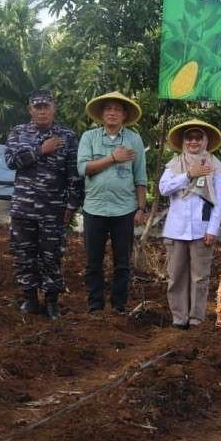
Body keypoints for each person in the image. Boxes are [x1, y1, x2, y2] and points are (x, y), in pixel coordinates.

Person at [4, 90, 83, 319]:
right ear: (30, 110)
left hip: (53, 209)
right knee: (23, 254)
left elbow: (74, 174)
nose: (42, 111)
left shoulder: (67, 136)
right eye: (37, 107)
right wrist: (41, 150)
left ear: (53, 108)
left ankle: (51, 302)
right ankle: (29, 299)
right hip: (23, 208)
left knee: (52, 256)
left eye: (45, 106)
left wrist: (71, 206)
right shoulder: (18, 133)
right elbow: (11, 161)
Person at [77, 92, 148, 314]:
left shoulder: (134, 140)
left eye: (117, 109)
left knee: (122, 263)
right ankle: (95, 305)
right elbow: (83, 169)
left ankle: (119, 306)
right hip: (94, 208)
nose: (112, 113)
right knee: (93, 261)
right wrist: (113, 158)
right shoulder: (89, 137)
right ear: (101, 114)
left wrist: (141, 208)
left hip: (124, 210)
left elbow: (140, 177)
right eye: (108, 108)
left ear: (124, 115)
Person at [159, 119, 221, 329]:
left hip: (202, 229)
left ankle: (197, 319)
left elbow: (220, 200)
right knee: (176, 276)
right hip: (176, 229)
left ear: (205, 141)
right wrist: (189, 175)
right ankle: (179, 318)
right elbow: (163, 188)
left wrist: (213, 228)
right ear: (183, 141)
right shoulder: (174, 164)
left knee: (200, 277)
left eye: (198, 137)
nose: (194, 141)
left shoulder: (215, 165)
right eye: (190, 137)